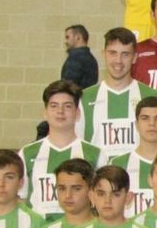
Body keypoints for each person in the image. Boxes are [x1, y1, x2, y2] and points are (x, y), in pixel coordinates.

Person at [23, 81, 103, 218]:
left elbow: (102, 199)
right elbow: (20, 199)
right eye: (54, 106)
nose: (60, 111)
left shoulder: (96, 154)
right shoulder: (27, 153)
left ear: (77, 113)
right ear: (45, 112)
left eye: (67, 106)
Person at [82, 28, 157, 159]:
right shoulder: (84, 98)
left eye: (125, 54)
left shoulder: (152, 97)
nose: (118, 60)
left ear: (134, 57)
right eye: (112, 53)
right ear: (103, 54)